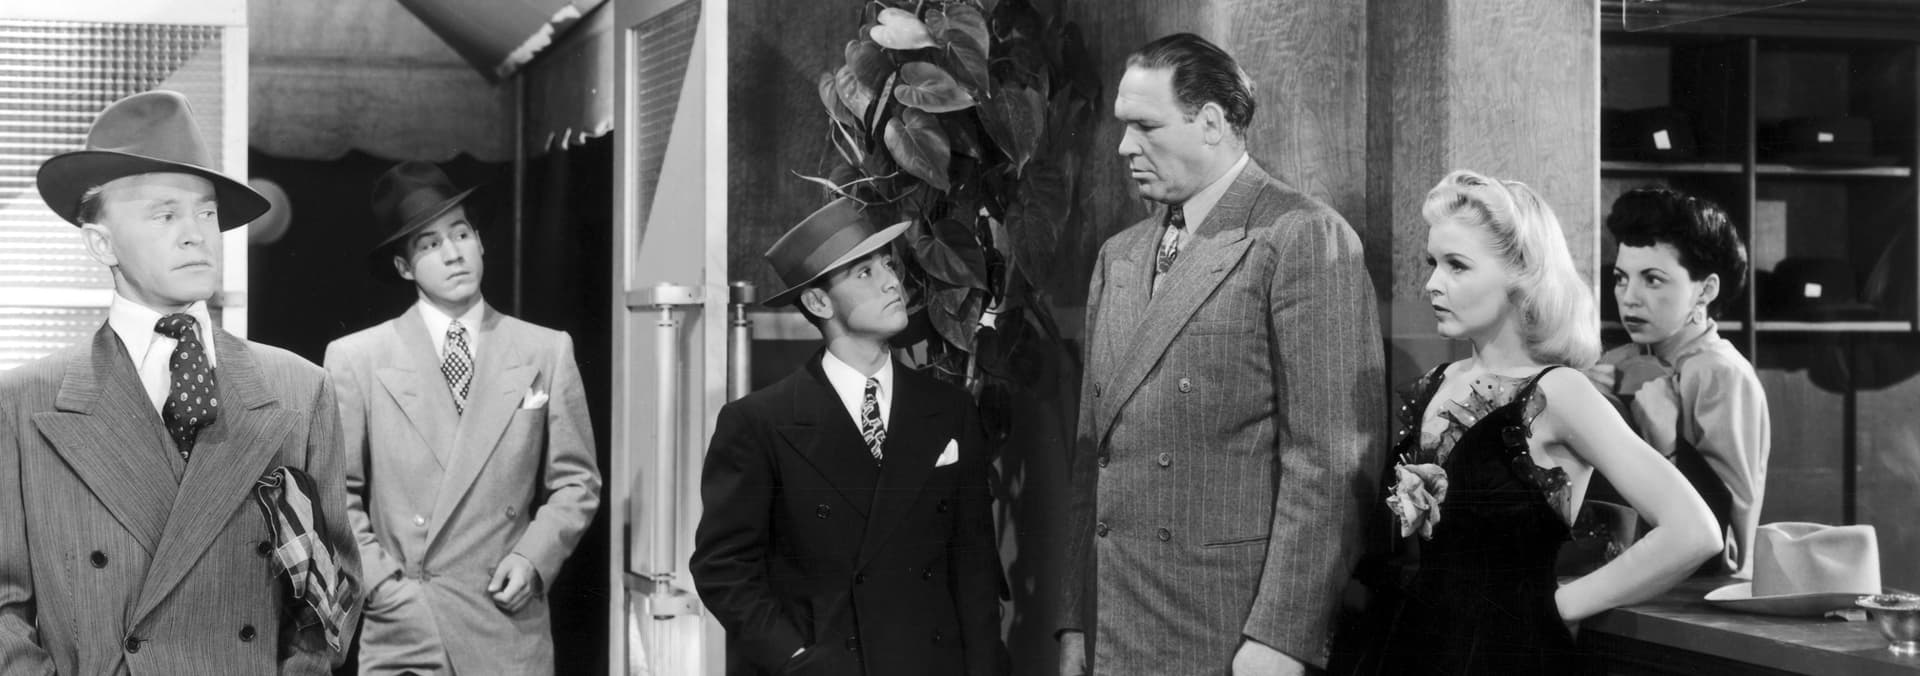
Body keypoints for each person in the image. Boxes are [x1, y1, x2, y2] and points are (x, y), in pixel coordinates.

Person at [1058, 33, 1386, 675]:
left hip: (1228, 631)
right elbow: (1090, 461)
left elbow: (1333, 462)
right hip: (1115, 626)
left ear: (1210, 122)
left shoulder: (1301, 236)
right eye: (1124, 125)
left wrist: (1282, 639)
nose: (1124, 146)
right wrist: (1075, 621)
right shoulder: (1119, 256)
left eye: (1146, 126)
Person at [0, 90, 360, 673]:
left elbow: (330, 599)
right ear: (101, 243)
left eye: (207, 213)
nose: (196, 234)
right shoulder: (24, 404)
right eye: (165, 215)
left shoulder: (300, 391)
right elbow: (4, 611)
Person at [1354, 171, 1720, 674]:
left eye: (1457, 265)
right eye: (1432, 263)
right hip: (1411, 648)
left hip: (1507, 656)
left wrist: (1561, 606)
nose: (1432, 283)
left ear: (1522, 273)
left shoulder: (1560, 392)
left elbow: (1693, 530)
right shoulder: (1438, 382)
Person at [691, 197, 1006, 676]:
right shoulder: (759, 423)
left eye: (887, 264)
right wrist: (796, 658)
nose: (891, 281)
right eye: (864, 273)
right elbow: (722, 567)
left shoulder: (950, 410)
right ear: (818, 302)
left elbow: (975, 566)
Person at [324, 161, 602, 675]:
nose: (453, 253)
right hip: (408, 628)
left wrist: (534, 558)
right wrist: (385, 587)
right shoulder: (357, 358)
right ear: (404, 268)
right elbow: (335, 494)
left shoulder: (545, 350)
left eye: (461, 234)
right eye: (429, 244)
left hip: (507, 622)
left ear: (481, 242)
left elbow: (577, 481)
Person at [1586, 188, 1769, 577]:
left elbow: (1731, 545)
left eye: (1653, 280)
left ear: (1706, 290)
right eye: (1621, 278)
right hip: (1616, 577)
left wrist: (1669, 443)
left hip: (1693, 594)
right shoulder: (1615, 362)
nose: (1629, 298)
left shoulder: (1720, 375)